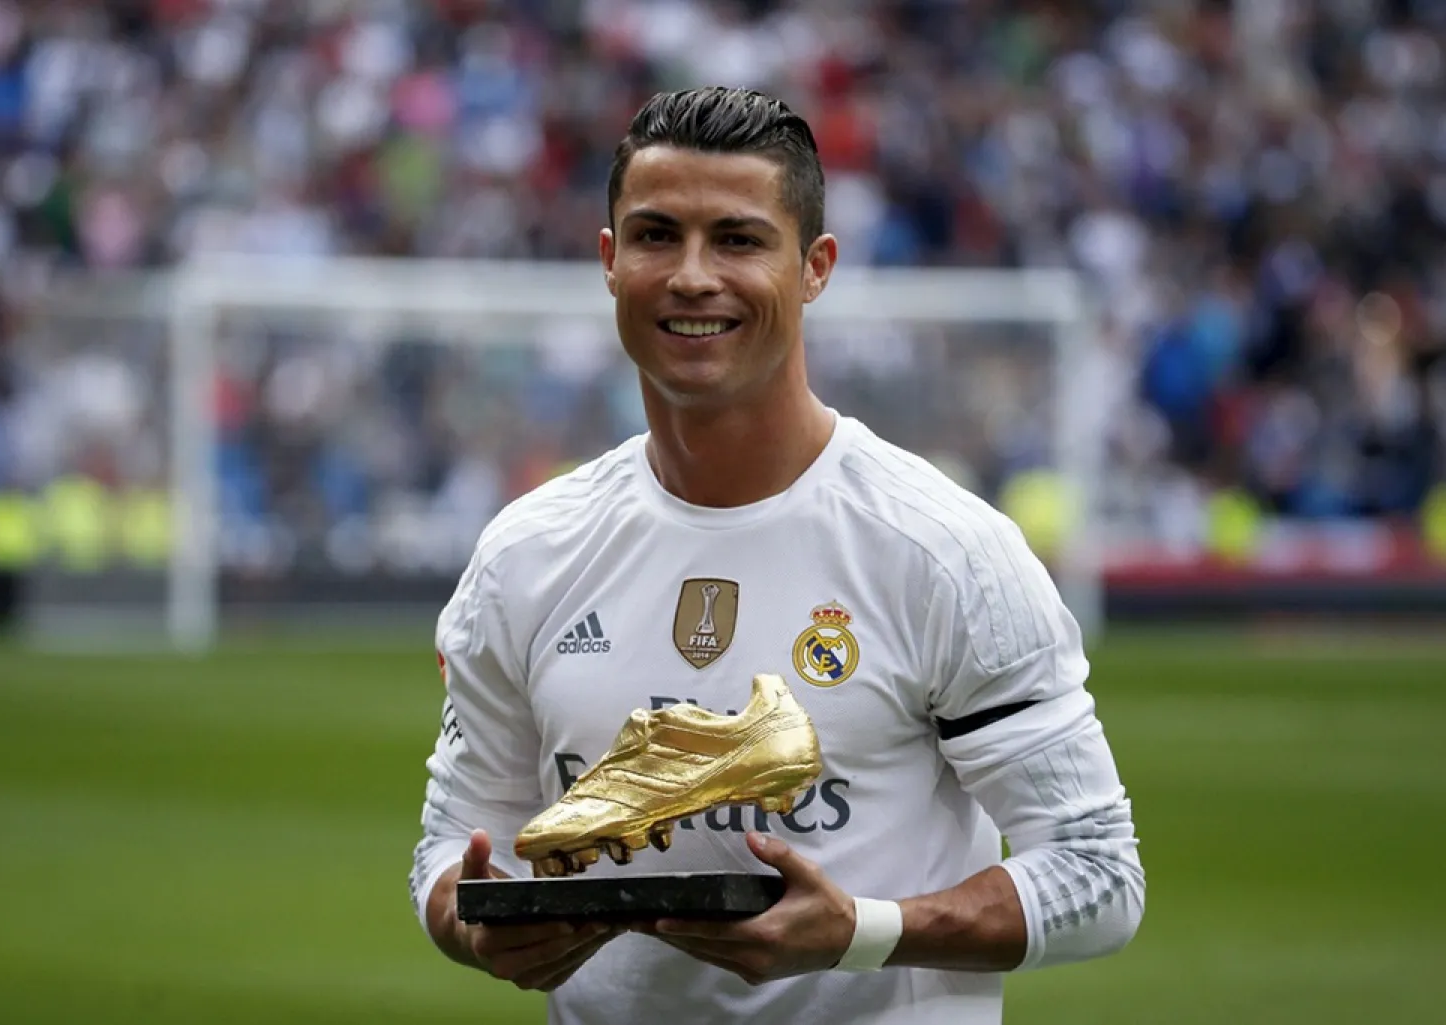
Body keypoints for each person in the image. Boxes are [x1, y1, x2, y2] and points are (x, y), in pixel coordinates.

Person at [408, 86, 1145, 1025]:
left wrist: (861, 929)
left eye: (738, 240)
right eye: (656, 235)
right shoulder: (527, 552)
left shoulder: (944, 551)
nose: (692, 276)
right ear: (609, 260)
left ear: (814, 268)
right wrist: (472, 921)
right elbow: (451, 844)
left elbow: (1098, 873)